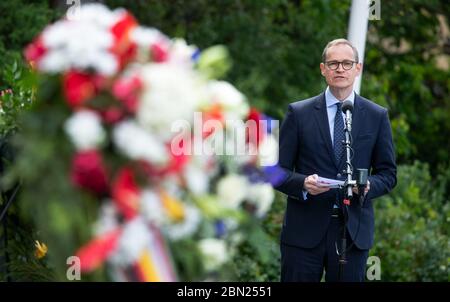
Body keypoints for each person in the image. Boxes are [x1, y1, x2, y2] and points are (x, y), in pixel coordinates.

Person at [274, 38, 397, 282]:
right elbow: (276, 171)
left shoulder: (376, 115)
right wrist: (302, 184)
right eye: (333, 64)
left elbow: (388, 174)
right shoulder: (299, 113)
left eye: (346, 63)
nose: (340, 69)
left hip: (352, 233)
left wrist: (370, 186)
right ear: (323, 69)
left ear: (357, 68)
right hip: (303, 233)